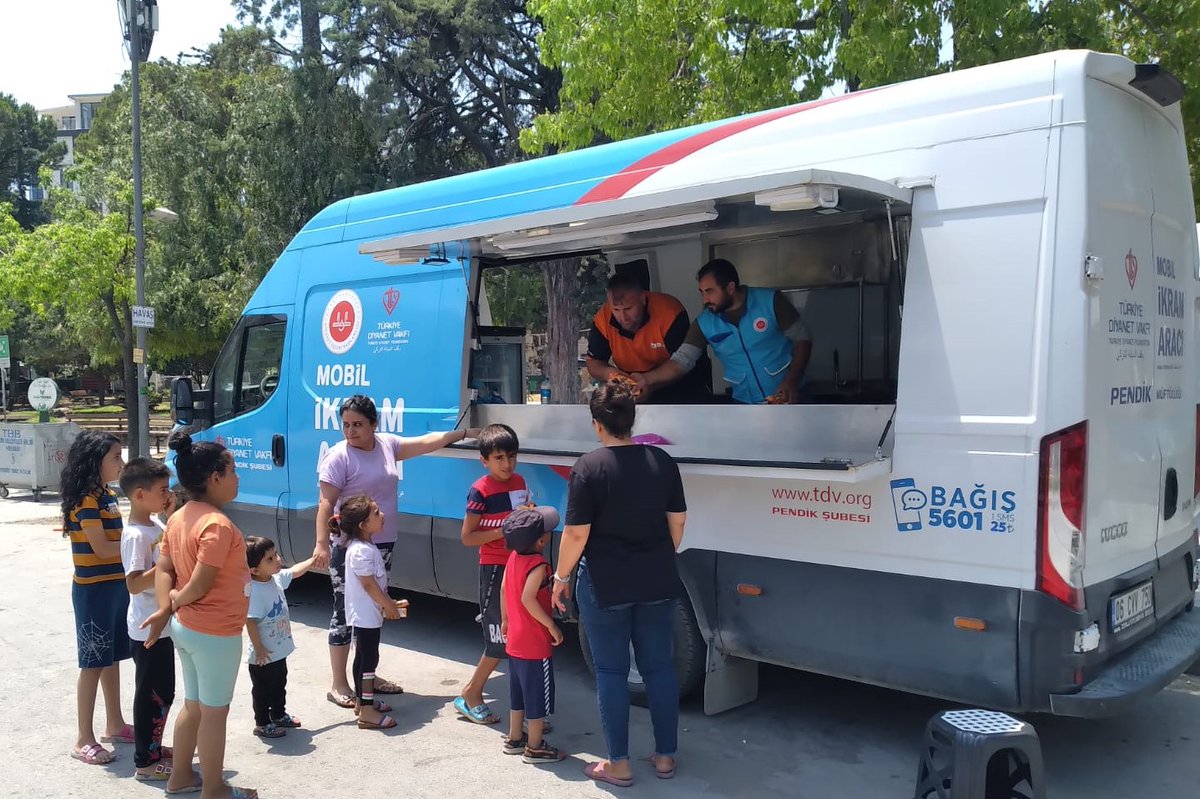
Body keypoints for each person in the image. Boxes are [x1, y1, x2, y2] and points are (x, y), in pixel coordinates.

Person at [552, 377, 687, 787]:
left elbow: (576, 535)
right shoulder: (662, 462)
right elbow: (677, 525)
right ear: (632, 418)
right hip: (658, 579)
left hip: (605, 584)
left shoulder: (588, 468)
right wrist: (660, 552)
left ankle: (619, 765)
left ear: (597, 423)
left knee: (611, 672)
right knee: (659, 668)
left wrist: (560, 579)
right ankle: (665, 757)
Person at [312, 394, 480, 709]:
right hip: (349, 548)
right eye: (346, 425)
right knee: (345, 614)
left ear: (374, 424)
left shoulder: (387, 444)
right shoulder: (338, 457)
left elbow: (429, 442)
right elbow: (324, 505)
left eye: (358, 425)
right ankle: (339, 683)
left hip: (383, 544)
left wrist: (466, 434)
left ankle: (368, 675)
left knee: (374, 610)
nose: (351, 431)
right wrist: (322, 543)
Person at [141, 433, 257, 799]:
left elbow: (164, 567)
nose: (238, 478)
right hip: (215, 632)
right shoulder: (217, 525)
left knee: (193, 706)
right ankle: (214, 789)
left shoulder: (178, 518)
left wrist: (166, 606)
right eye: (233, 471)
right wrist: (174, 600)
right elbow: (200, 583)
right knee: (214, 713)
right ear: (215, 477)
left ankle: (179, 779)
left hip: (188, 629)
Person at [635, 258, 813, 404]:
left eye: (710, 292)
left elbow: (802, 339)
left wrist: (791, 380)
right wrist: (647, 379)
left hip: (791, 396)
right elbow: (682, 361)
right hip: (745, 405)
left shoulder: (771, 301)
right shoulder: (704, 323)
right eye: (702, 292)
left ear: (730, 287)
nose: (705, 299)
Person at [61, 430, 133, 765]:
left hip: (116, 587)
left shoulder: (106, 495)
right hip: (93, 592)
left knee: (113, 657)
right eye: (116, 457)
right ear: (95, 461)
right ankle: (83, 738)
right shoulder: (86, 500)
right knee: (93, 663)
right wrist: (141, 547)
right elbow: (102, 548)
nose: (122, 463)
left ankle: (114, 724)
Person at [455, 423, 530, 725]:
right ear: (484, 460)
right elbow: (467, 537)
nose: (507, 464)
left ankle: (525, 711)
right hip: (494, 569)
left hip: (521, 566)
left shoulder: (521, 482)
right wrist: (504, 530)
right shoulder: (480, 490)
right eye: (499, 458)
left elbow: (524, 518)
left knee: (521, 639)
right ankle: (471, 694)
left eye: (511, 456)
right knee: (499, 641)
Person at [118, 457, 177, 780]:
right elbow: (134, 582)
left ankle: (153, 745)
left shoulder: (156, 525)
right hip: (147, 627)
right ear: (139, 495)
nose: (167, 495)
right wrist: (166, 565)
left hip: (162, 623)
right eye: (162, 490)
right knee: (151, 694)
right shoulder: (135, 535)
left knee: (164, 691)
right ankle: (145, 762)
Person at [499, 506, 566, 764]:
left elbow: (505, 588)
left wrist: (505, 619)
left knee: (517, 694)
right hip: (534, 643)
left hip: (515, 640)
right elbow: (529, 598)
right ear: (541, 541)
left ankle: (515, 738)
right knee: (537, 696)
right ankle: (535, 746)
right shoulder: (538, 565)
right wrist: (550, 625)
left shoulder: (513, 557)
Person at [336, 495, 407, 730]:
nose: (382, 515)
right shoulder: (361, 551)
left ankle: (361, 702)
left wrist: (389, 602)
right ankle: (366, 713)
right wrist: (387, 605)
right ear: (362, 525)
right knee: (369, 661)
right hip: (366, 615)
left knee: (363, 658)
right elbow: (368, 584)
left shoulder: (365, 547)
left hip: (368, 613)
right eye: (376, 513)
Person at [586, 272, 710, 404]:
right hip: (635, 386)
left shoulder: (669, 312)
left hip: (681, 383)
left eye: (628, 308)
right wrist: (613, 375)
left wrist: (649, 383)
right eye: (615, 309)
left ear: (643, 298)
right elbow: (594, 363)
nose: (623, 317)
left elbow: (682, 363)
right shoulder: (602, 319)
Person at [244, 536, 316, 739]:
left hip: (278, 651)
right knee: (262, 690)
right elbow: (250, 622)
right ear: (254, 570)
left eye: (275, 554)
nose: (277, 559)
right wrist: (259, 649)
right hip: (263, 656)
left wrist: (313, 560)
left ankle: (278, 714)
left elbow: (295, 571)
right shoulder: (254, 591)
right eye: (269, 558)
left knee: (279, 684)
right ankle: (262, 723)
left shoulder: (275, 579)